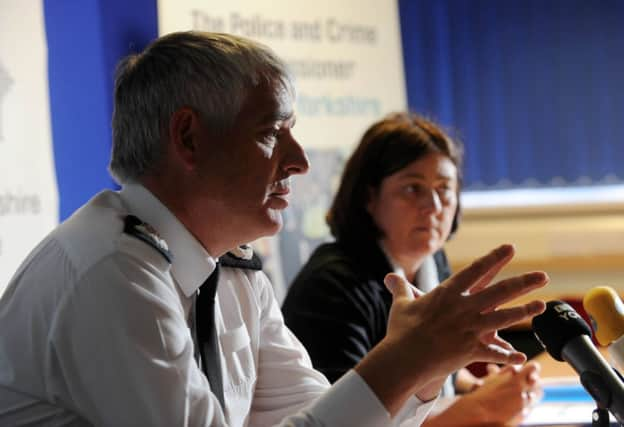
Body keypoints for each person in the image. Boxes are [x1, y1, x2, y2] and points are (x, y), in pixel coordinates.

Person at [0, 32, 548, 427]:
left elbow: (321, 417)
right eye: (272, 133)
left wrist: (423, 372)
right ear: (189, 138)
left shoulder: (234, 274)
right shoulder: (113, 273)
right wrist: (403, 359)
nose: (300, 161)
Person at [282, 112, 543, 426]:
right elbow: (345, 418)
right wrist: (477, 409)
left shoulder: (433, 261)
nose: (433, 205)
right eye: (412, 189)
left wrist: (475, 388)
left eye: (444, 189)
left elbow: (429, 366)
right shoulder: (331, 286)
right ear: (369, 197)